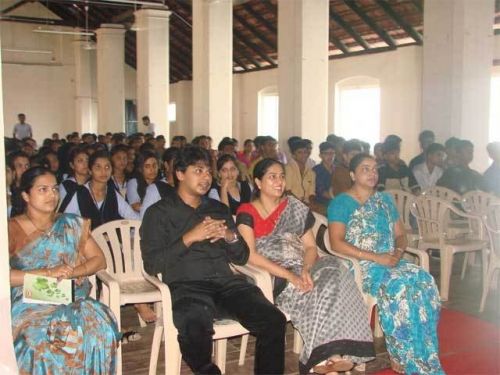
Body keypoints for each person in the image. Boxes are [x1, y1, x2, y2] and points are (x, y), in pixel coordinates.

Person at [140, 146, 287, 375]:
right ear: (180, 174)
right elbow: (152, 264)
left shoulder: (218, 209)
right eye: (198, 171)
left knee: (273, 320)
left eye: (209, 172)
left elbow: (241, 256)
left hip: (226, 285)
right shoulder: (158, 213)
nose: (206, 177)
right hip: (188, 286)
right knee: (194, 329)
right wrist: (190, 237)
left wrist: (230, 236)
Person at [236, 158, 374, 374]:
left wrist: (305, 270)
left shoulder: (294, 207)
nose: (279, 181)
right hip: (273, 274)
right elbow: (250, 255)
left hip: (303, 266)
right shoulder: (247, 211)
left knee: (337, 271)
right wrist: (291, 276)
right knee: (314, 292)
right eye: (272, 177)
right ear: (258, 182)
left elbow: (310, 247)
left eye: (282, 176)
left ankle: (328, 355)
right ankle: (327, 355)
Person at [328, 153, 443, 375]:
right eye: (365, 169)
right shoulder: (341, 202)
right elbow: (336, 243)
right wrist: (375, 257)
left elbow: (401, 236)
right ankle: (400, 355)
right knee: (400, 287)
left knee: (424, 282)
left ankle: (423, 352)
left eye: (374, 169)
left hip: (390, 261)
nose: (372, 173)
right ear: (352, 174)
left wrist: (398, 253)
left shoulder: (385, 200)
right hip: (361, 265)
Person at [9, 166, 120, 374]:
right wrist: (48, 273)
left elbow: (99, 260)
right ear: (25, 195)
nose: (52, 195)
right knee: (39, 341)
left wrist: (73, 271)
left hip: (70, 295)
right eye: (43, 189)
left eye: (54, 189)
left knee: (98, 331)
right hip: (29, 301)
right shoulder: (10, 229)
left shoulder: (71, 224)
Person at [61, 150, 139, 229]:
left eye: (107, 167)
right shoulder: (79, 193)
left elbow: (132, 216)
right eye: (98, 167)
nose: (103, 171)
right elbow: (65, 224)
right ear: (90, 171)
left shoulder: (112, 193)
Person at [285, 139, 316, 205]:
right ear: (293, 155)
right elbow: (287, 192)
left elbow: (311, 193)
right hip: (291, 204)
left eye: (305, 152)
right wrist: (302, 204)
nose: (303, 155)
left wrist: (312, 203)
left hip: (306, 204)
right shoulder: (288, 168)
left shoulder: (311, 172)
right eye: (299, 152)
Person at [312, 142, 335, 211]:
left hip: (337, 202)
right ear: (320, 155)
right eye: (326, 153)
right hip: (322, 205)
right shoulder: (316, 170)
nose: (330, 156)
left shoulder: (338, 170)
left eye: (332, 153)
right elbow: (321, 191)